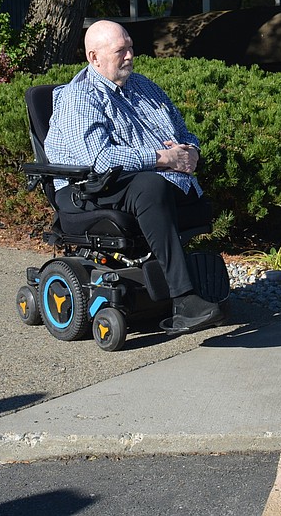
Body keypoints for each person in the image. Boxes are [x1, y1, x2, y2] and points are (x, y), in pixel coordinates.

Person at [45, 20, 223, 334]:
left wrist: (191, 151)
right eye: (120, 50)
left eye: (130, 47)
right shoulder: (79, 97)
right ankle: (184, 301)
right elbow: (98, 159)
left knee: (157, 186)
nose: (130, 55)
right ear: (94, 58)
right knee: (149, 186)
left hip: (147, 182)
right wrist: (162, 158)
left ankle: (180, 285)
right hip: (87, 188)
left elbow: (182, 132)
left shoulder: (145, 87)